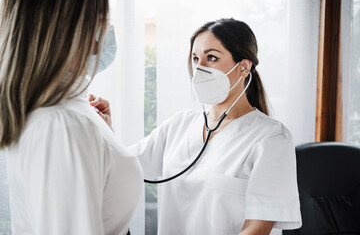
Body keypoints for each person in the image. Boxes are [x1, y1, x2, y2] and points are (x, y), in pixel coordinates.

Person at [89, 18, 302, 235]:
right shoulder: (178, 125)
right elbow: (125, 167)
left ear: (244, 67)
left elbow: (257, 228)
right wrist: (107, 130)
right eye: (195, 58)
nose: (199, 68)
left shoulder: (271, 137)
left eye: (211, 58)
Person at [0, 0, 143, 235]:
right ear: (71, 24)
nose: (105, 27)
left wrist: (103, 141)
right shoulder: (61, 124)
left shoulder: (66, 113)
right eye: (101, 16)